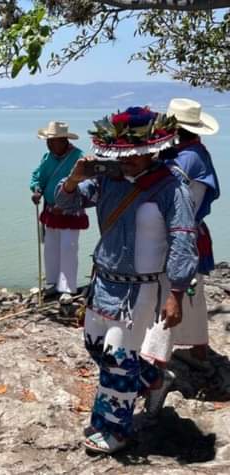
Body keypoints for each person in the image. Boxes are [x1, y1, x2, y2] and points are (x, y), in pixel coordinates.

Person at [55, 106, 197, 454]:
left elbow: (183, 238)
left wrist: (176, 291)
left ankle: (116, 429)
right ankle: (153, 378)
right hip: (103, 281)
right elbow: (64, 204)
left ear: (153, 149)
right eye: (122, 155)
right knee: (95, 346)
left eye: (135, 155)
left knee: (118, 358)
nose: (128, 161)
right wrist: (74, 176)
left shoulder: (170, 186)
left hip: (141, 288)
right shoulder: (108, 179)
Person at [140, 98, 221, 413]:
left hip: (178, 238)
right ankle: (196, 350)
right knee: (193, 295)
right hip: (191, 235)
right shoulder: (190, 155)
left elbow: (174, 203)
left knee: (165, 299)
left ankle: (156, 371)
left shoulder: (185, 161)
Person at [30, 121, 89, 303]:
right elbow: (37, 176)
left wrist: (64, 204)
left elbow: (85, 185)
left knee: (68, 248)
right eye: (48, 141)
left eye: (52, 141)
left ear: (63, 140)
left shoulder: (79, 158)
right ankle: (52, 283)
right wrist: (36, 190)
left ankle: (67, 288)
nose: (48, 144)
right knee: (50, 248)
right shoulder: (47, 157)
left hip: (70, 212)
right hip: (50, 209)